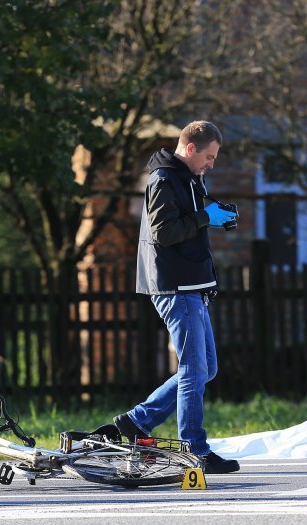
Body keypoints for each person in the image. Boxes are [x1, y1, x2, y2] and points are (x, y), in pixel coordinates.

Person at [114, 120, 240, 474]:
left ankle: (137, 422)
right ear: (190, 149)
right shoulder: (164, 180)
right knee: (192, 369)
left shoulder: (189, 179)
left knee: (206, 368)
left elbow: (190, 224)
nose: (212, 164)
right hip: (175, 286)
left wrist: (215, 219)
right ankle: (195, 449)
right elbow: (164, 232)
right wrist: (204, 217)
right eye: (209, 156)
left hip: (192, 285)